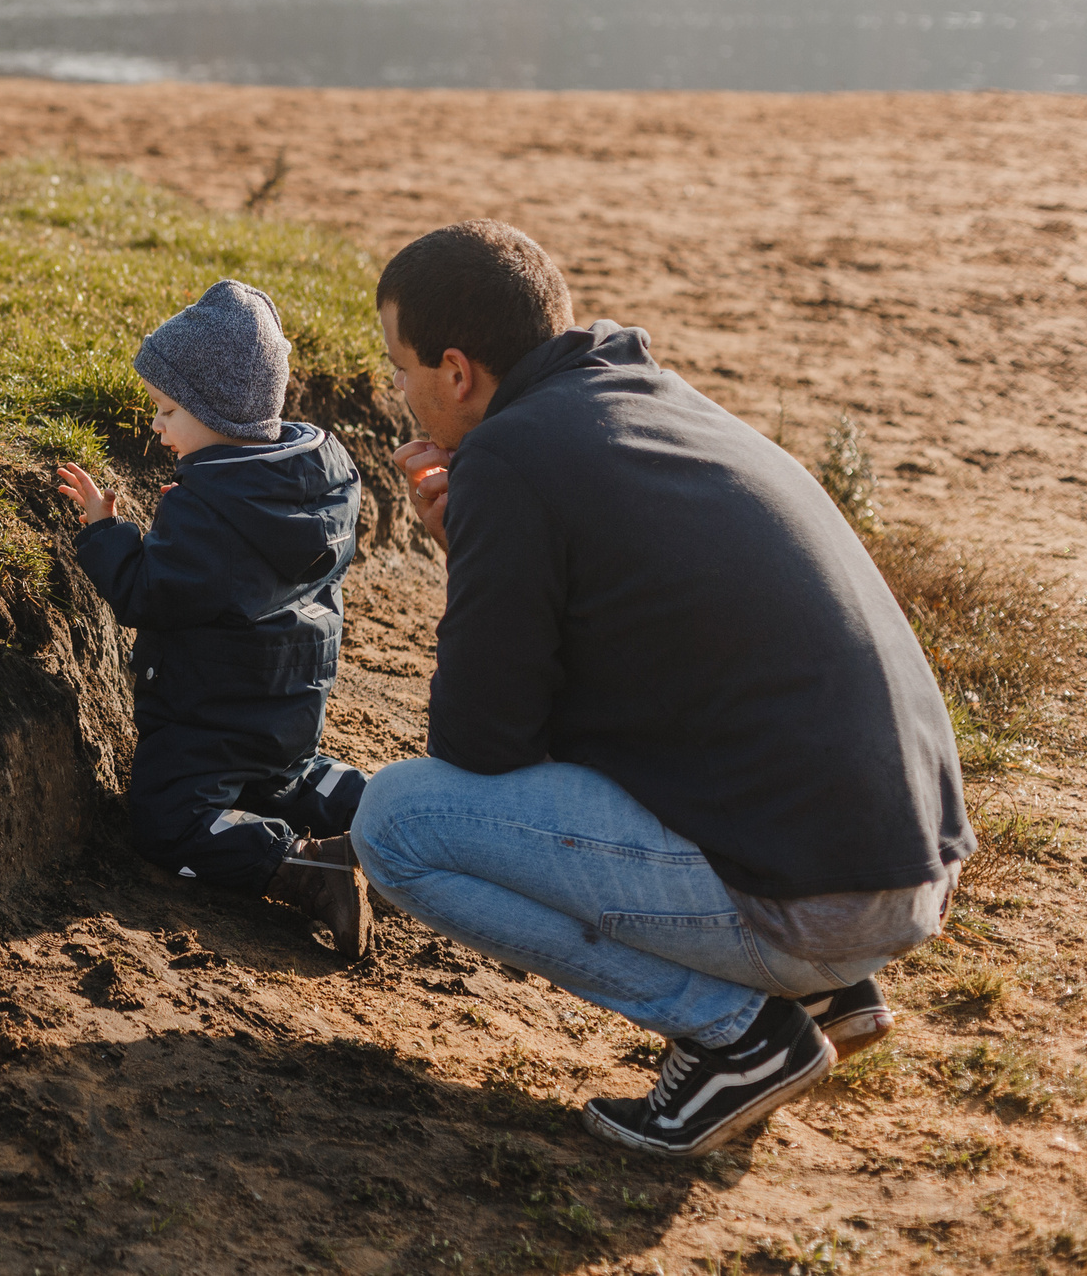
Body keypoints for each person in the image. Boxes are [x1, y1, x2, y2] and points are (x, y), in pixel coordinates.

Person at [347, 220, 972, 1157]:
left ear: (457, 369)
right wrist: (479, 544)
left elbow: (479, 743)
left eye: (399, 369)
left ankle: (736, 1032)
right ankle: (821, 987)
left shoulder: (510, 461)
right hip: (907, 865)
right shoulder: (650, 396)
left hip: (817, 896)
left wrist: (477, 545)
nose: (399, 393)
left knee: (395, 821)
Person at [58, 279, 374, 956]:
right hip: (288, 713)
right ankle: (384, 821)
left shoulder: (211, 511)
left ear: (218, 414)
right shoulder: (317, 480)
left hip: (207, 718)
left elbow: (148, 592)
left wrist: (104, 531)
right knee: (282, 781)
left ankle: (305, 867)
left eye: (168, 410)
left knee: (168, 822)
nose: (156, 426)